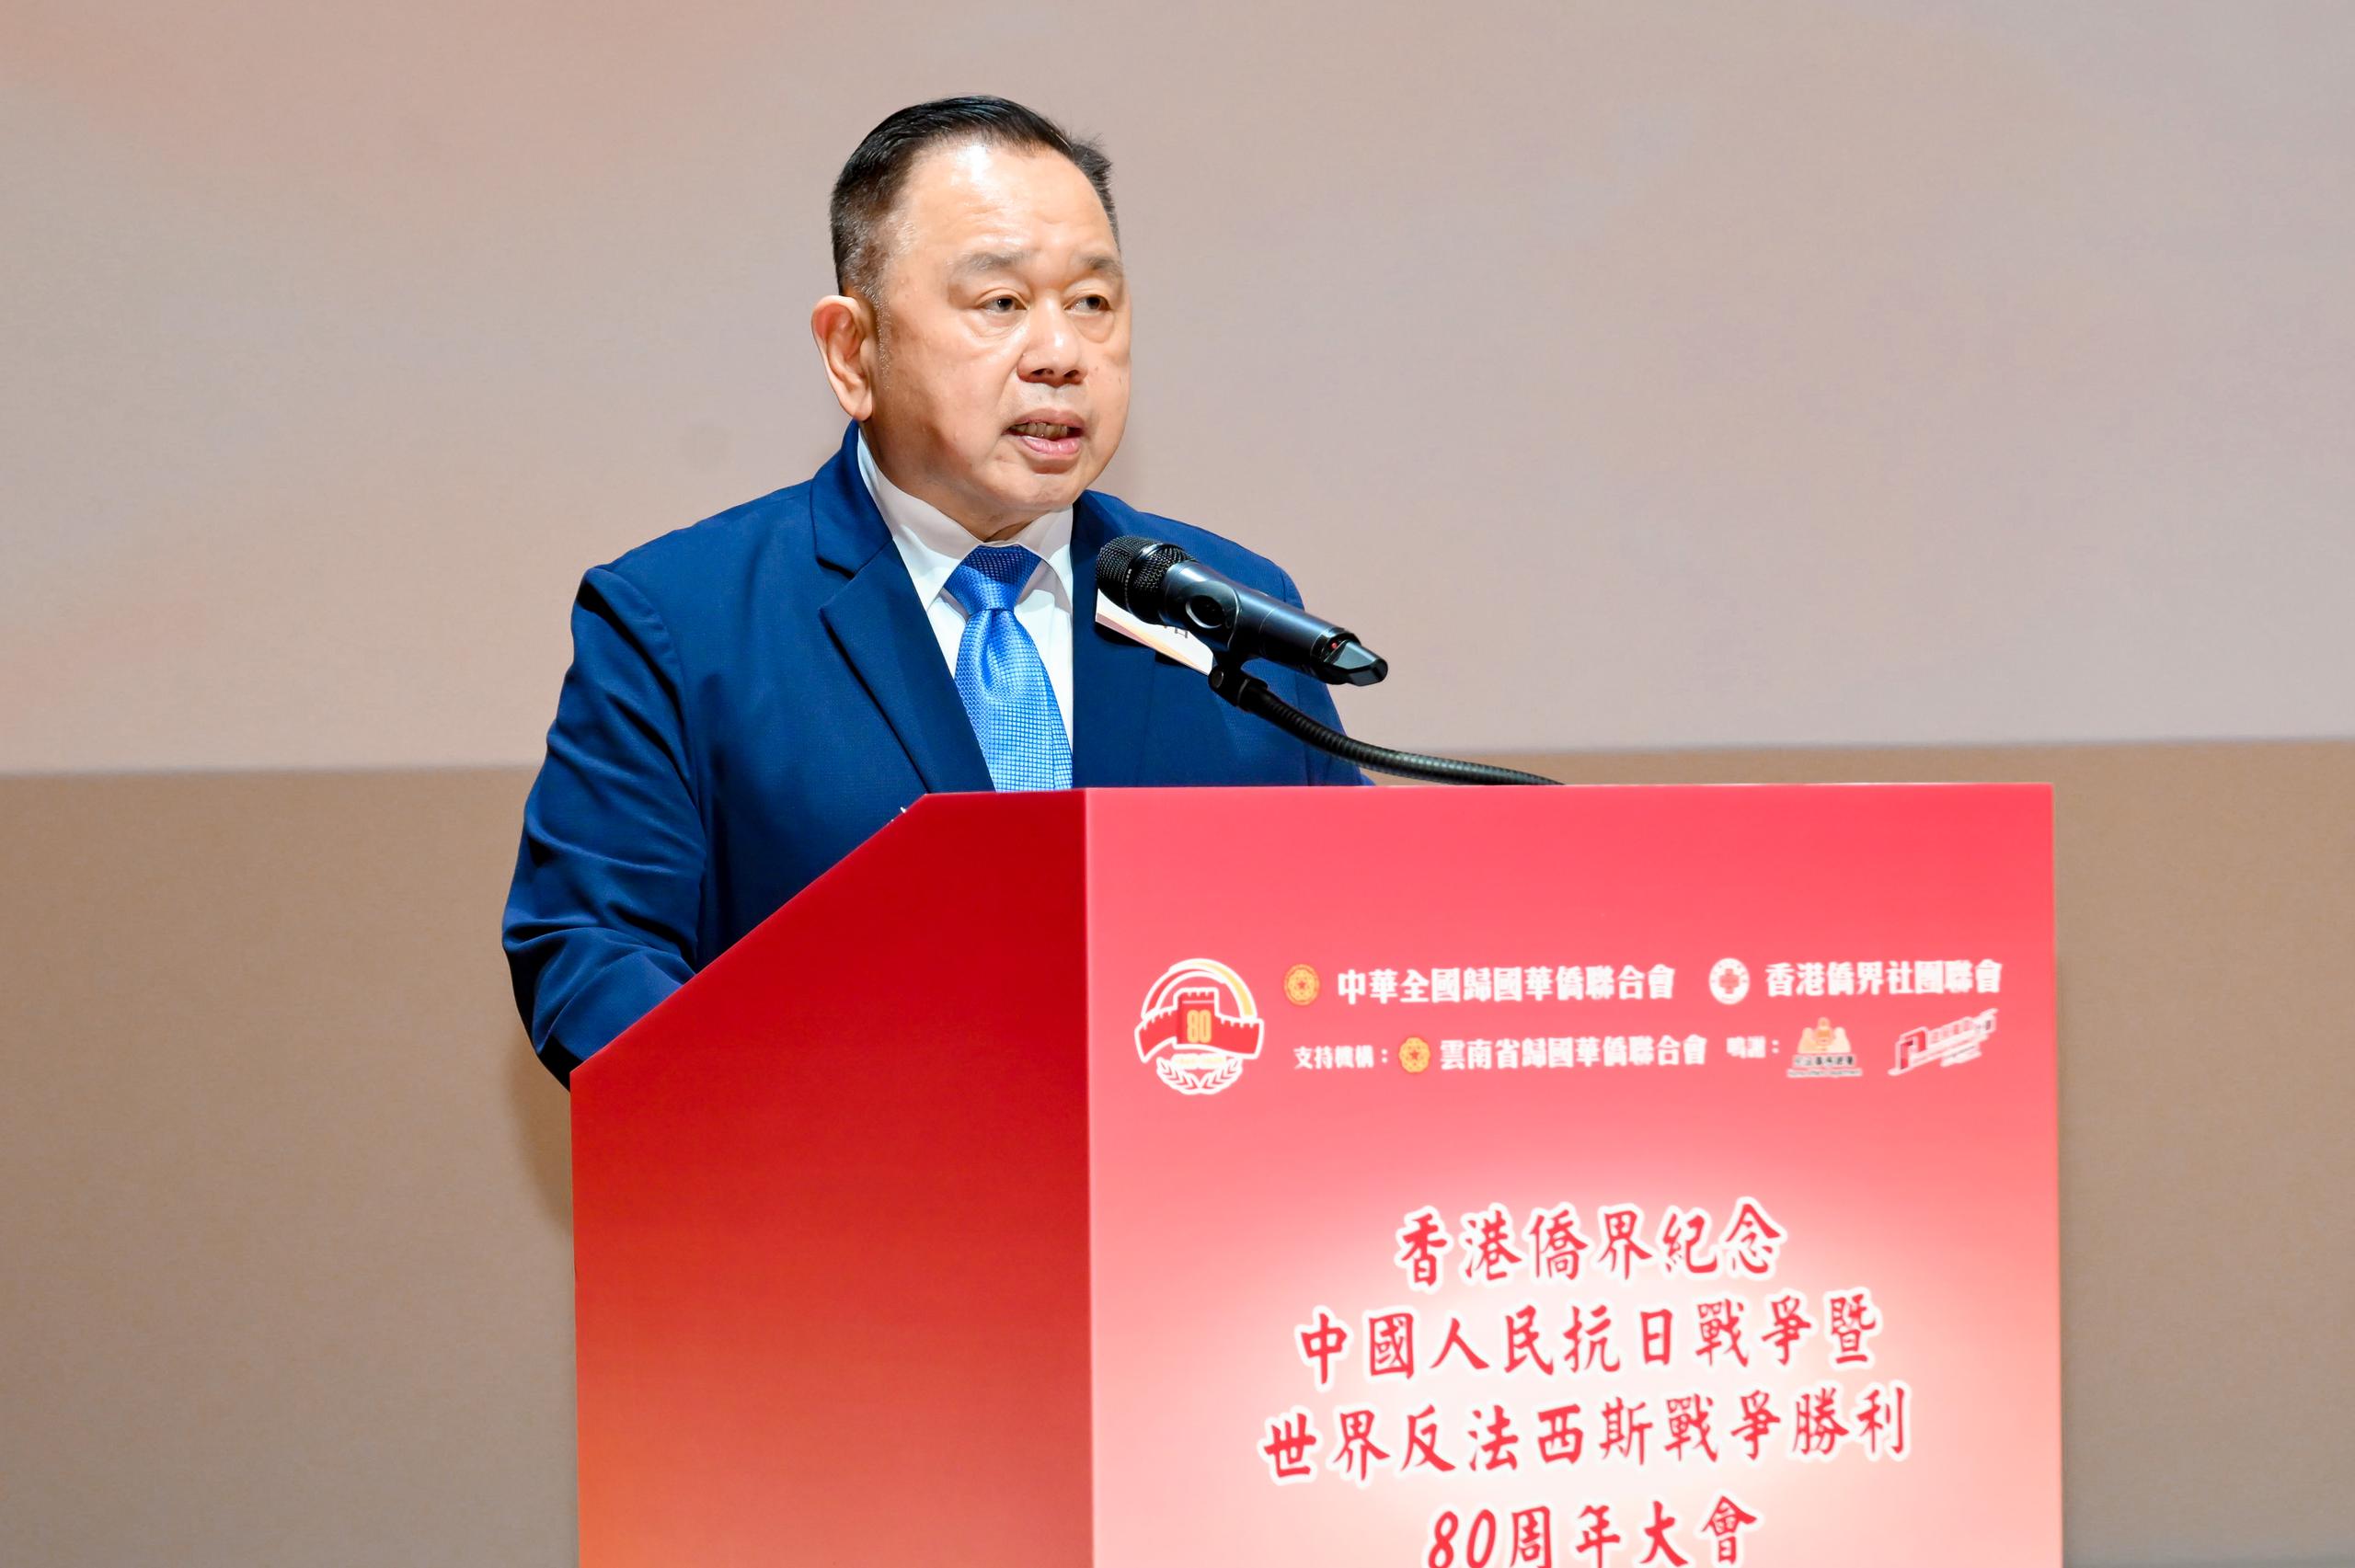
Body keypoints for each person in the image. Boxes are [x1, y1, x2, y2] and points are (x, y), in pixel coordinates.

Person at [503, 97, 1364, 1085]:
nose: (1061, 354)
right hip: (829, 1176)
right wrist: (791, 1125)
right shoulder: (679, 622)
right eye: (1000, 303)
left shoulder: (1231, 613)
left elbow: (1348, 940)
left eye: (1092, 302)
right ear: (852, 351)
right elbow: (591, 954)